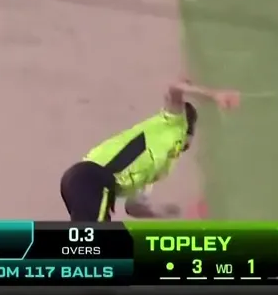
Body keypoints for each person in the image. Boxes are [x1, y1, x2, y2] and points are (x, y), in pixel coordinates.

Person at [60, 81, 240, 221]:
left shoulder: (158, 167)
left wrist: (165, 214)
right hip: (91, 179)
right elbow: (175, 88)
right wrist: (215, 95)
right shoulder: (173, 123)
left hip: (89, 186)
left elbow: (133, 207)